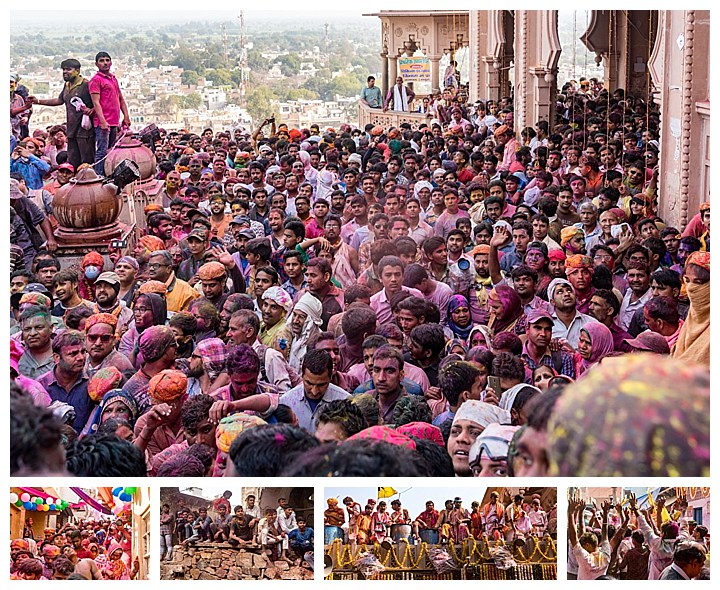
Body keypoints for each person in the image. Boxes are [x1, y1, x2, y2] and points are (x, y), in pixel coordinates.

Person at [29, 59, 95, 169]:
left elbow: (98, 103)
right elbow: (59, 100)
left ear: (77, 71)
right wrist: (38, 101)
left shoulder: (86, 85)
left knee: (86, 161)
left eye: (69, 69)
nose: (65, 72)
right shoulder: (67, 85)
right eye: (63, 69)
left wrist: (91, 110)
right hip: (71, 130)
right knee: (73, 160)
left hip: (84, 131)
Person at [278, 349, 349, 433]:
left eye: (321, 385)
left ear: (330, 378)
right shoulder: (286, 402)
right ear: (302, 375)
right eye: (309, 383)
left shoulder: (345, 403)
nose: (314, 391)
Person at [89, 52, 130, 174]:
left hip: (114, 121)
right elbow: (96, 102)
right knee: (102, 151)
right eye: (102, 60)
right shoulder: (96, 80)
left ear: (111, 62)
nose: (105, 63)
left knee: (112, 150)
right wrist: (102, 121)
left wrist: (126, 116)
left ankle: (110, 173)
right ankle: (99, 175)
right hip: (103, 122)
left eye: (107, 60)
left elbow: (120, 98)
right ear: (96, 64)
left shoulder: (113, 79)